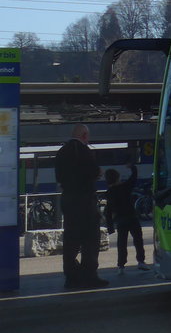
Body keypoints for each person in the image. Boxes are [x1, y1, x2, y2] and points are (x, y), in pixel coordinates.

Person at [54, 123, 107, 288]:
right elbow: (92, 172)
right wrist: (99, 172)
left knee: (71, 239)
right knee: (91, 238)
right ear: (84, 136)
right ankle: (89, 275)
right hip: (84, 200)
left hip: (68, 199)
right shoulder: (84, 151)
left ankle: (71, 277)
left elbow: (59, 176)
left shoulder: (61, 152)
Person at [104, 164, 150, 273]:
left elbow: (108, 211)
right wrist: (133, 168)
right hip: (132, 217)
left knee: (122, 243)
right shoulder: (125, 187)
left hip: (120, 220)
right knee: (138, 240)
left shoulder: (109, 193)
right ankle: (141, 262)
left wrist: (110, 226)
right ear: (117, 177)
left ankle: (121, 266)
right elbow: (133, 178)